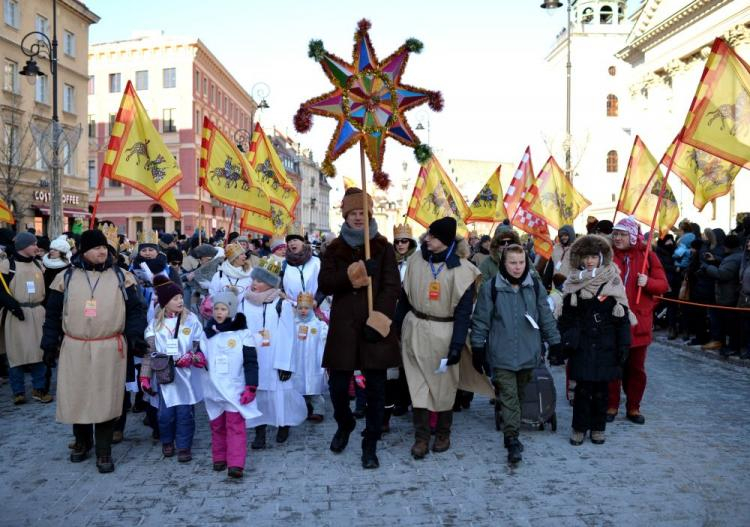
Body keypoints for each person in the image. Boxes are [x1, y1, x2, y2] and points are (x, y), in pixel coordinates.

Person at [41, 229, 147, 473]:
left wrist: (135, 336)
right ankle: (82, 441)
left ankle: (103, 450)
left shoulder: (123, 277)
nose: (102, 252)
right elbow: (53, 315)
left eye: (104, 248)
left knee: (105, 398)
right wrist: (48, 343)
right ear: (84, 251)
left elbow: (135, 311)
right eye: (96, 248)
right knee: (77, 396)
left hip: (109, 346)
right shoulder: (65, 278)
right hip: (74, 346)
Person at [318, 187, 401, 469]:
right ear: (345, 215)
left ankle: (371, 442)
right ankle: (345, 423)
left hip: (372, 326)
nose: (357, 218)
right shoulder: (334, 248)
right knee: (338, 387)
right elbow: (325, 283)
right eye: (352, 213)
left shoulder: (383, 247)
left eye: (361, 213)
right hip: (344, 328)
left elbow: (392, 287)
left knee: (376, 390)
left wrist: (379, 321)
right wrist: (355, 272)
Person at [396, 217, 491, 459]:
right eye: (428, 234)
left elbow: (463, 313)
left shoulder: (464, 271)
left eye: (433, 236)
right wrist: (397, 328)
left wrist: (457, 345)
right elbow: (404, 298)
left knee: (443, 387)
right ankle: (421, 437)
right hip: (415, 328)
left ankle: (443, 433)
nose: (427, 239)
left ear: (446, 241)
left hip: (444, 333)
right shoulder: (416, 260)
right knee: (417, 386)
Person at [470, 243, 560, 464]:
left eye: (521, 263)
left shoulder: (535, 287)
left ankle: (511, 427)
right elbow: (481, 321)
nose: (517, 267)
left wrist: (555, 342)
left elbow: (545, 316)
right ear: (504, 263)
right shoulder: (491, 288)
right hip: (501, 354)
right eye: (512, 263)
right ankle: (512, 440)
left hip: (529, 354)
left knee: (518, 396)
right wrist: (478, 348)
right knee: (509, 398)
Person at [553, 235, 634, 446]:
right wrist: (561, 342)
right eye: (586, 257)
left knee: (601, 391)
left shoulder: (613, 281)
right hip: (583, 345)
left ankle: (598, 428)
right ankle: (579, 428)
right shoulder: (573, 282)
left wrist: (624, 344)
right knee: (581, 390)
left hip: (607, 345)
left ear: (601, 258)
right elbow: (566, 318)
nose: (590, 261)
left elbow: (622, 317)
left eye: (594, 257)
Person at [607, 217, 668, 424]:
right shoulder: (607, 256)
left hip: (638, 323)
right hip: (613, 321)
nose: (617, 238)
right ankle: (611, 405)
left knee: (636, 369)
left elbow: (663, 285)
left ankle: (633, 407)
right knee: (613, 367)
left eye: (622, 234)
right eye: (615, 233)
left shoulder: (647, 256)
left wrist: (648, 282)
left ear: (632, 236)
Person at [140, 276, 204, 462]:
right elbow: (149, 353)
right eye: (175, 299)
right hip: (164, 376)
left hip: (186, 375)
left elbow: (200, 346)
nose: (180, 301)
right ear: (165, 302)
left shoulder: (191, 320)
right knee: (165, 415)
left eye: (180, 297)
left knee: (185, 414)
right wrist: (145, 377)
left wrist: (192, 357)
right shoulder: (155, 325)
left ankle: (184, 446)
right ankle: (167, 441)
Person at [244, 258, 307, 447]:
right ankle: (260, 431)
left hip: (274, 357)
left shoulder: (281, 304)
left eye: (260, 281)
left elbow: (289, 336)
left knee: (279, 394)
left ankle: (283, 424)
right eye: (254, 279)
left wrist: (285, 363)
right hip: (253, 357)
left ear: (270, 283)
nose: (255, 284)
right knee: (257, 393)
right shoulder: (245, 301)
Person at [200, 292, 260, 479]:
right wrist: (197, 359)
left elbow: (251, 361)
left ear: (231, 310)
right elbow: (202, 354)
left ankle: (235, 464)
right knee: (217, 424)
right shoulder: (207, 333)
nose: (219, 312)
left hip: (234, 387)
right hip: (213, 387)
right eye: (216, 308)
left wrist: (251, 386)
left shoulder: (243, 333)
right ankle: (219, 457)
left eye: (223, 309)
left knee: (235, 425)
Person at [0, 232, 50, 404]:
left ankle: (39, 389)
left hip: (37, 312)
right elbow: (1, 291)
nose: (37, 247)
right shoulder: (8, 265)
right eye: (33, 244)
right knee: (17, 353)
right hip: (16, 314)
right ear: (22, 247)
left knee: (39, 352)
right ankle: (18, 392)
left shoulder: (39, 264)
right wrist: (13, 307)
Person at [701, 234, 742, 356]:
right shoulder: (737, 256)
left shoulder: (734, 258)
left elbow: (723, 274)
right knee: (729, 323)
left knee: (731, 324)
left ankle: (732, 347)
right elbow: (727, 264)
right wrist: (715, 260)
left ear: (727, 246)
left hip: (728, 295)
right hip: (730, 294)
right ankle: (728, 345)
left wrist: (708, 267)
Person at [291, 292, 328, 421]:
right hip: (298, 363)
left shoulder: (319, 325)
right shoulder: (293, 325)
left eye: (306, 308)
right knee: (299, 387)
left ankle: (318, 410)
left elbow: (325, 339)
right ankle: (304, 409)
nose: (303, 311)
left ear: (311, 308)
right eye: (300, 308)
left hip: (314, 363)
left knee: (314, 389)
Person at [209, 243, 253, 309]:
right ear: (234, 258)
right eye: (242, 254)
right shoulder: (220, 274)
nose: (245, 256)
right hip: (224, 314)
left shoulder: (250, 273)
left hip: (243, 314)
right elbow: (212, 294)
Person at [543, 224, 576, 290]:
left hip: (570, 286)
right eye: (561, 236)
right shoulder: (555, 249)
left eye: (566, 235)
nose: (563, 237)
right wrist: (545, 284)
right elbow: (550, 267)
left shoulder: (577, 249)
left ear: (571, 235)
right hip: (556, 286)